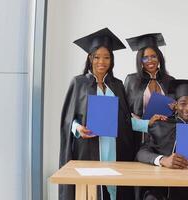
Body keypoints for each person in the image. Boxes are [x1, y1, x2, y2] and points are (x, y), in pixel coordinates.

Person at [59, 28, 138, 200]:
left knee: (113, 191)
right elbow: (68, 119)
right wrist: (78, 128)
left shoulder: (117, 85)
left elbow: (125, 119)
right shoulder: (78, 83)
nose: (101, 61)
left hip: (114, 147)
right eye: (97, 57)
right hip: (88, 148)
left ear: (111, 60)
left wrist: (146, 123)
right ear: (90, 58)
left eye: (106, 57)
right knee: (91, 193)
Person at [124, 33, 175, 153]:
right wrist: (135, 118)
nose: (150, 61)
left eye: (153, 56)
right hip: (139, 134)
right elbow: (124, 109)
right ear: (140, 60)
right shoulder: (132, 80)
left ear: (159, 58)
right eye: (145, 57)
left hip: (164, 135)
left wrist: (176, 107)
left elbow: (176, 109)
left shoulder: (170, 80)